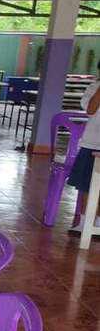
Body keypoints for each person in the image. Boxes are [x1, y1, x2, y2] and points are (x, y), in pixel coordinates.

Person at [68, 61, 100, 233]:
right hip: (92, 143)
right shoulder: (93, 88)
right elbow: (91, 110)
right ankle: (84, 221)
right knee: (87, 184)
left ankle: (98, 221)